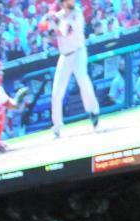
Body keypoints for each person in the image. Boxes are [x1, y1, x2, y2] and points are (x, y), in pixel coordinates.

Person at [42, 0, 100, 139]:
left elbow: (65, 32)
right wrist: (48, 22)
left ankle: (94, 111)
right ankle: (56, 127)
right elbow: (50, 35)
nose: (72, 1)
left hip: (79, 52)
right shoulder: (59, 15)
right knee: (56, 91)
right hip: (65, 56)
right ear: (63, 3)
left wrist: (53, 21)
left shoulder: (77, 13)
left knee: (82, 79)